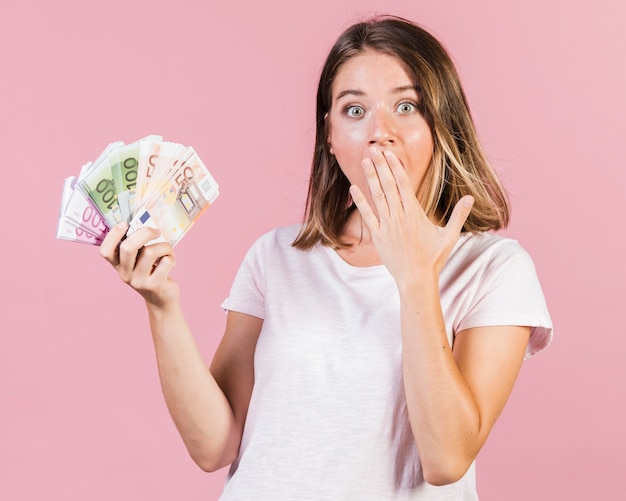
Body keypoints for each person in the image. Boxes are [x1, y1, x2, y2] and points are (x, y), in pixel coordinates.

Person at [100, 15, 552, 500]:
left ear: (443, 124)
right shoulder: (275, 256)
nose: (381, 132)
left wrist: (415, 276)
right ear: (331, 136)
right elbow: (214, 446)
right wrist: (161, 303)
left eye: (406, 105)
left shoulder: (494, 268)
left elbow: (445, 459)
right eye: (354, 111)